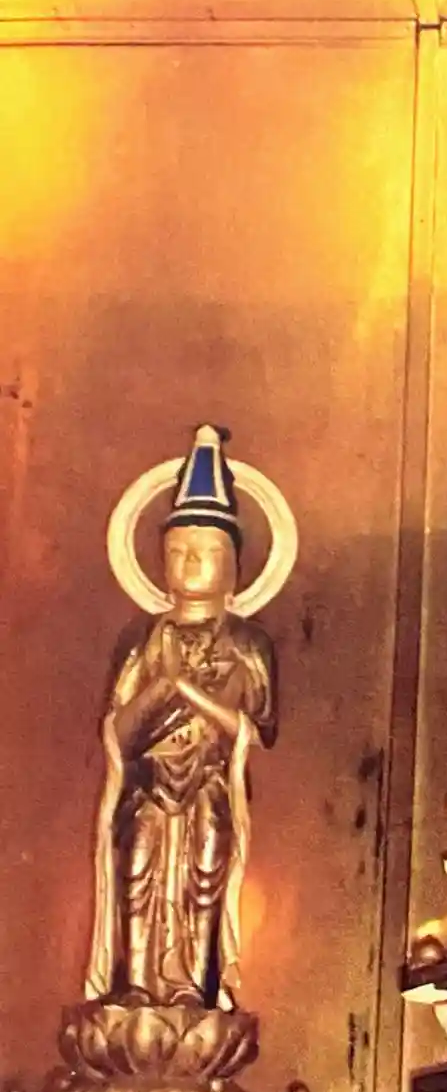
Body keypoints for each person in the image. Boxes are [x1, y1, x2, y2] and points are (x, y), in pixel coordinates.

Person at [86, 426, 276, 1010]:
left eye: (207, 552)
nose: (190, 562)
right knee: (137, 872)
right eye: (177, 551)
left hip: (209, 787)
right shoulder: (141, 640)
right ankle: (137, 984)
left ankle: (193, 986)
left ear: (234, 566)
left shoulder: (248, 644)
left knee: (204, 876)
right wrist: (161, 687)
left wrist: (188, 691)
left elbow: (256, 730)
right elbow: (116, 733)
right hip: (146, 787)